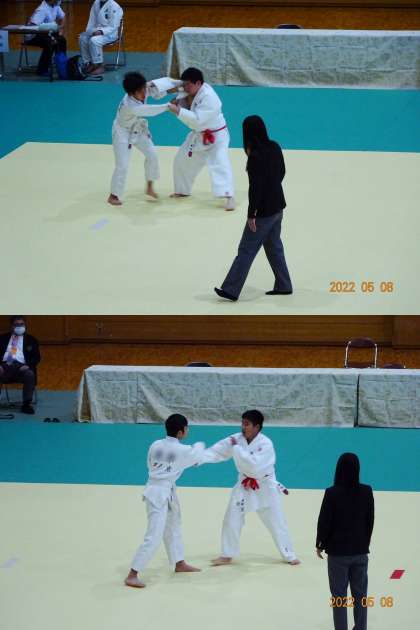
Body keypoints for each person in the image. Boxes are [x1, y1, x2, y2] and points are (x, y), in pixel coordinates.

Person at [200, 409, 300, 566]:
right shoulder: (236, 439)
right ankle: (227, 554)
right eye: (242, 423)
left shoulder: (265, 444)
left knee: (277, 521)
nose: (243, 427)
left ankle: (289, 554)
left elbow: (254, 466)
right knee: (232, 518)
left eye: (247, 424)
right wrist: (199, 458)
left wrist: (236, 449)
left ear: (257, 427)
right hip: (244, 486)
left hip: (265, 486)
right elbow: (217, 451)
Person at [214, 115, 292, 301]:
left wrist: (252, 214)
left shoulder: (255, 156)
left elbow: (255, 189)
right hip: (278, 207)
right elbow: (282, 172)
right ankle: (284, 285)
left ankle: (231, 289)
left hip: (263, 213)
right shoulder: (274, 146)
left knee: (246, 250)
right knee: (274, 247)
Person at [125, 413, 205, 588]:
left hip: (161, 489)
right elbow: (198, 456)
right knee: (154, 535)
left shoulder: (155, 444)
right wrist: (200, 445)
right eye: (187, 428)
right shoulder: (183, 450)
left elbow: (149, 464)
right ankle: (132, 574)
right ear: (181, 432)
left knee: (173, 526)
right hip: (158, 494)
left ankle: (179, 562)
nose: (188, 430)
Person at [316, 453, 375, 630]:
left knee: (339, 597)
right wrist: (364, 543)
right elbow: (370, 521)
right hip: (360, 552)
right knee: (360, 596)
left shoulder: (332, 493)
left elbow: (325, 521)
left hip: (338, 555)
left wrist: (320, 544)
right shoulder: (366, 491)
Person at [167, 67, 235, 211]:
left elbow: (198, 120)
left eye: (188, 84)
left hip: (217, 137)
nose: (185, 87)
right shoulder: (188, 91)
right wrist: (178, 103)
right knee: (181, 160)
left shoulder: (210, 97)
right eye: (184, 84)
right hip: (198, 135)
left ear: (198, 83)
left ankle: (229, 197)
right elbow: (185, 107)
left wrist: (178, 111)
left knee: (220, 163)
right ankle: (182, 190)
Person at [108, 73, 178, 206]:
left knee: (152, 155)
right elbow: (150, 111)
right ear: (131, 93)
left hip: (137, 128)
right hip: (122, 132)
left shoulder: (141, 89)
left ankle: (149, 187)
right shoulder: (130, 105)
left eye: (144, 89)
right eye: (141, 91)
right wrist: (168, 106)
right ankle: (113, 195)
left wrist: (176, 86)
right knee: (122, 165)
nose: (144, 93)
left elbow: (157, 87)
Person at [0, 316, 41, 415]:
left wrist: (28, 365)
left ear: (25, 325)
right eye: (16, 324)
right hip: (4, 367)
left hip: (22, 368)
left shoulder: (32, 340)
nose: (19, 326)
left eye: (21, 324)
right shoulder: (2, 339)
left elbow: (36, 357)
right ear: (11, 326)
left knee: (29, 374)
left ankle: (26, 405)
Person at [79, 0, 123, 76]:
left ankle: (99, 65)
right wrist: (89, 31)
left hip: (110, 34)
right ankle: (89, 63)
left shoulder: (114, 6)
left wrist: (101, 32)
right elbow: (92, 20)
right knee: (82, 37)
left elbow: (114, 26)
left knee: (94, 40)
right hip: (96, 30)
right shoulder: (96, 2)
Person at [26, 0, 67, 77]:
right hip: (33, 36)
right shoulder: (42, 9)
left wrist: (61, 28)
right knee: (50, 42)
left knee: (62, 40)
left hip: (47, 33)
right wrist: (50, 35)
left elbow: (63, 16)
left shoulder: (56, 5)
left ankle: (61, 65)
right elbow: (33, 27)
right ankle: (42, 70)